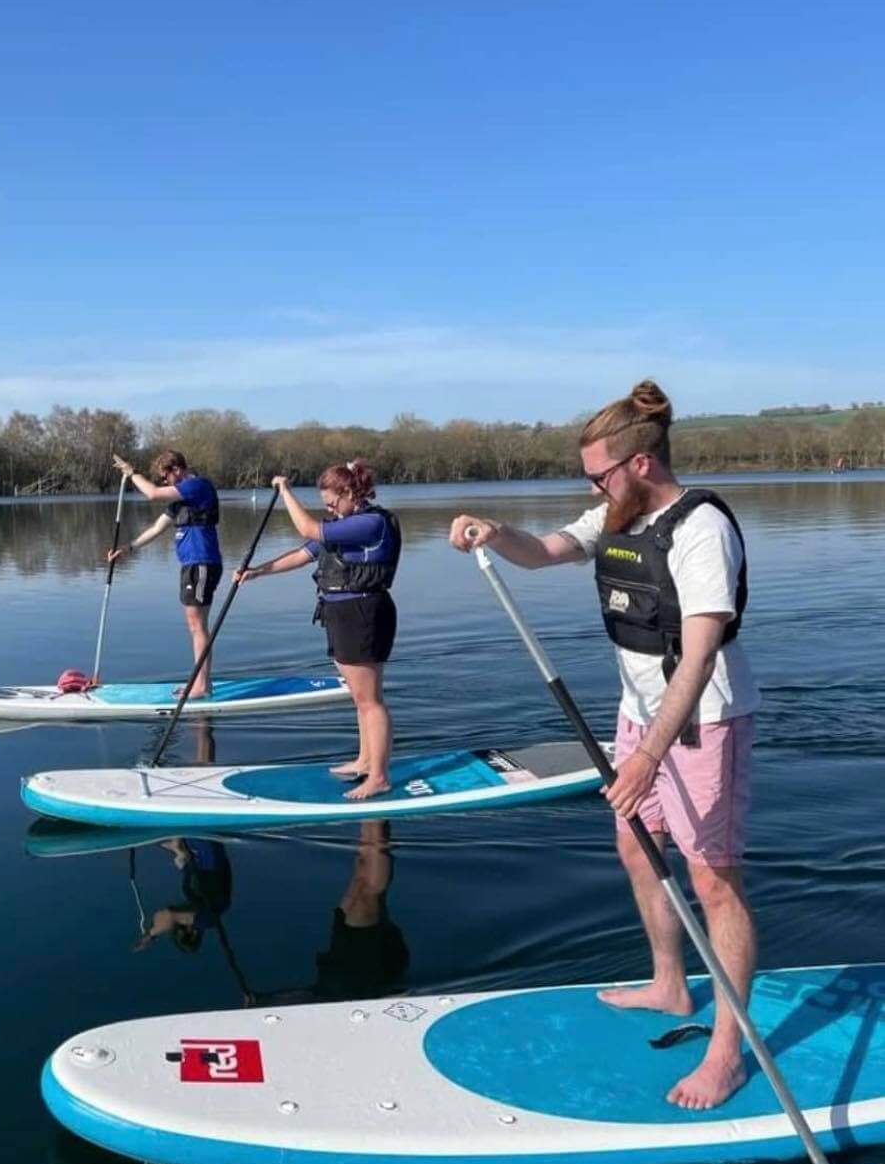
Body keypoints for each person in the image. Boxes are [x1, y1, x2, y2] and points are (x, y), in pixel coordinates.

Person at [449, 379, 760, 1111]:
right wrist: (493, 532)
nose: (591, 487)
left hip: (702, 722)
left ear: (639, 465)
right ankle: (668, 984)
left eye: (598, 474)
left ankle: (726, 1052)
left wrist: (649, 753)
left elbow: (699, 656)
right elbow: (544, 550)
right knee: (633, 846)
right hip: (637, 717)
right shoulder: (614, 513)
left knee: (713, 879)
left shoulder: (700, 531)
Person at [234, 461, 401, 800]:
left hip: (364, 613)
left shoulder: (371, 523)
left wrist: (285, 492)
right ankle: (364, 760)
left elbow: (309, 530)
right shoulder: (343, 523)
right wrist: (257, 571)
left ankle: (379, 776)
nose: (328, 508)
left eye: (331, 501)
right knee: (359, 698)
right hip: (340, 613)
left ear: (351, 493)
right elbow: (303, 553)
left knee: (370, 701)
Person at [109, 450, 222, 697]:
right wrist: (128, 548)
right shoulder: (181, 500)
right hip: (192, 565)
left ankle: (202, 685)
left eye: (165, 476)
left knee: (197, 625)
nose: (164, 482)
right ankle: (203, 683)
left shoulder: (197, 486)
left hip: (202, 562)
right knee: (196, 625)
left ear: (177, 470)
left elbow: (151, 494)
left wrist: (131, 474)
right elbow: (156, 529)